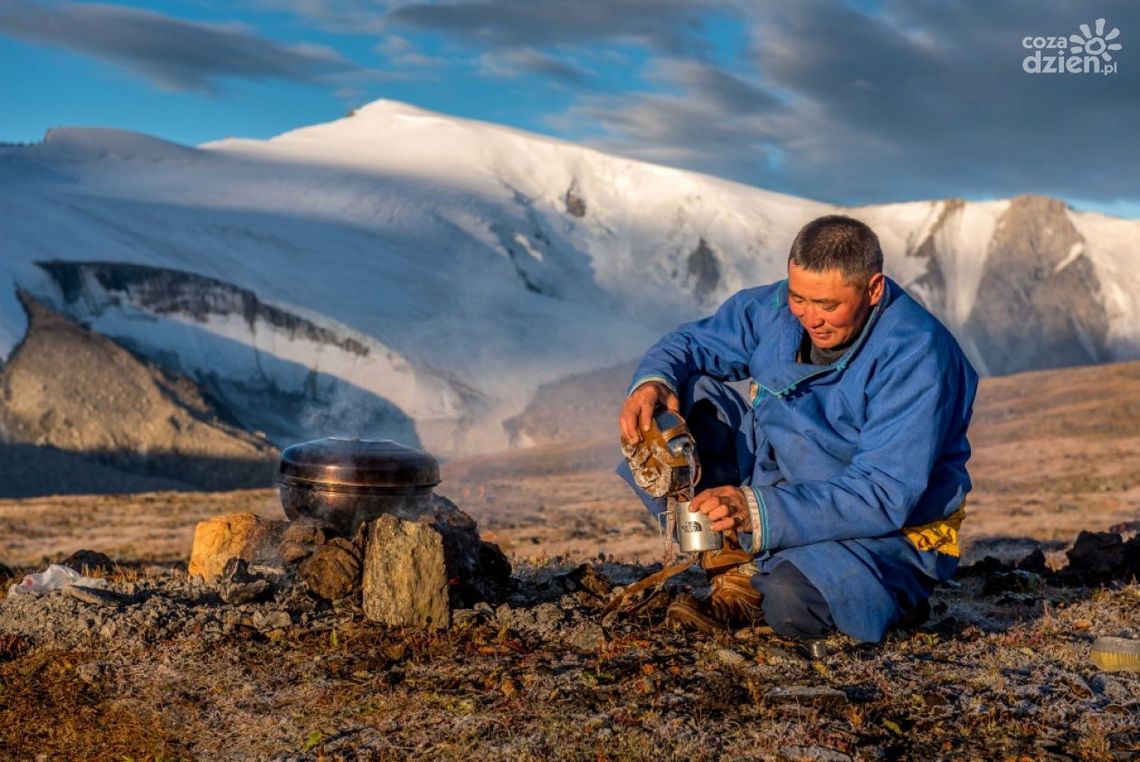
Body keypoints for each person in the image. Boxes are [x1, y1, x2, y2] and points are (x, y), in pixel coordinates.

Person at [617, 215, 978, 643]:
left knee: (791, 601)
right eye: (798, 298)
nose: (810, 318)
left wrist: (756, 511)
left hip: (883, 529)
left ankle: (888, 591)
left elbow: (884, 492)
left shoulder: (919, 355)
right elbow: (692, 343)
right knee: (676, 405)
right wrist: (652, 381)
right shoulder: (775, 309)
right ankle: (735, 570)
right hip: (777, 489)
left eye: (828, 305)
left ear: (874, 289)